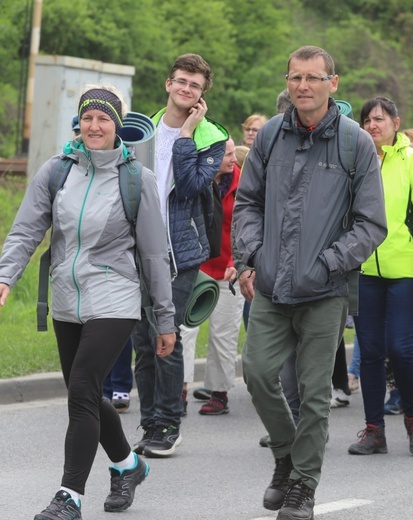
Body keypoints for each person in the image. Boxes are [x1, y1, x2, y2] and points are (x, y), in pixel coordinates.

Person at [0, 86, 176, 518]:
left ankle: (69, 497)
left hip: (115, 297)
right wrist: (5, 276)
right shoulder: (56, 171)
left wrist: (165, 318)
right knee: (86, 392)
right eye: (88, 119)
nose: (94, 126)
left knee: (81, 388)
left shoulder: (137, 179)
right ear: (78, 123)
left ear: (118, 125)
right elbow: (26, 231)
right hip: (66, 297)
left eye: (104, 119)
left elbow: (155, 254)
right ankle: (128, 465)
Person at [233, 45, 387, 520]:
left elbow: (371, 223)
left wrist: (327, 264)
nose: (303, 86)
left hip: (324, 290)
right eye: (295, 77)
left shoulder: (355, 143)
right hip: (272, 288)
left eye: (313, 78)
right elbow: (247, 203)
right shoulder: (271, 137)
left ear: (332, 84)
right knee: (257, 374)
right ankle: (286, 456)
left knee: (314, 394)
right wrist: (250, 259)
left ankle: (303, 486)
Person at [131, 53, 228, 458]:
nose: (186, 90)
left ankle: (170, 422)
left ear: (202, 95)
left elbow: (188, 186)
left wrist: (187, 133)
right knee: (140, 340)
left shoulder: (211, 137)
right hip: (135, 251)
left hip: (180, 252)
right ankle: (151, 419)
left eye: (195, 86)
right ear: (169, 84)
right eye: (181, 82)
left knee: (165, 338)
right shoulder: (140, 130)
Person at [347, 96, 413, 457]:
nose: (373, 125)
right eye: (368, 120)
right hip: (364, 269)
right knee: (369, 350)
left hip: (407, 271)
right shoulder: (354, 161)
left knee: (400, 347)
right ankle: (374, 431)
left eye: (380, 119)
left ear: (396, 123)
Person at [180, 138, 244, 415]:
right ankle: (178, 389)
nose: (233, 158)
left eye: (233, 153)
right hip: (196, 268)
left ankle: (219, 393)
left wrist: (237, 262)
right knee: (183, 330)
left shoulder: (245, 183)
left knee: (223, 332)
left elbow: (248, 226)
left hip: (230, 268)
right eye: (227, 154)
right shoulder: (195, 182)